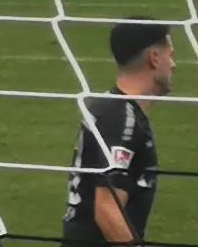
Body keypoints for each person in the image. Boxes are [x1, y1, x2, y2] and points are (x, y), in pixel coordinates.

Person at [61, 19, 174, 244]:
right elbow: (107, 209)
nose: (173, 64)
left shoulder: (113, 109)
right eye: (170, 55)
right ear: (154, 57)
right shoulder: (121, 119)